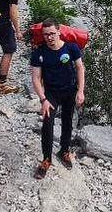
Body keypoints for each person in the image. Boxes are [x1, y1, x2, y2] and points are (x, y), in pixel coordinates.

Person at [30, 19, 85, 180]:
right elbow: (35, 78)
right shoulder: (39, 52)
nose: (49, 37)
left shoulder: (71, 47)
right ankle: (46, 159)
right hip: (51, 94)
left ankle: (64, 151)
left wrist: (80, 91)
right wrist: (43, 99)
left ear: (59, 32)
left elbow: (80, 68)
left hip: (69, 90)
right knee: (48, 122)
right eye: (46, 34)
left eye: (52, 33)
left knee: (68, 122)